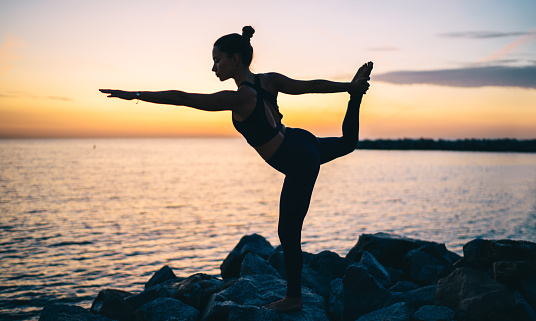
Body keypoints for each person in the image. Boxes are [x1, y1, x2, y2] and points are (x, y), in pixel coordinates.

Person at [100, 25, 372, 313]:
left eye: (217, 60)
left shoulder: (240, 98)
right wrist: (349, 88)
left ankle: (293, 299)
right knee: (348, 143)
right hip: (302, 140)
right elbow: (310, 86)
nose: (213, 67)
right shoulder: (269, 80)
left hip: (297, 160)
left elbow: (185, 98)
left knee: (288, 233)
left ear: (235, 59)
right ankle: (356, 98)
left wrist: (136, 94)